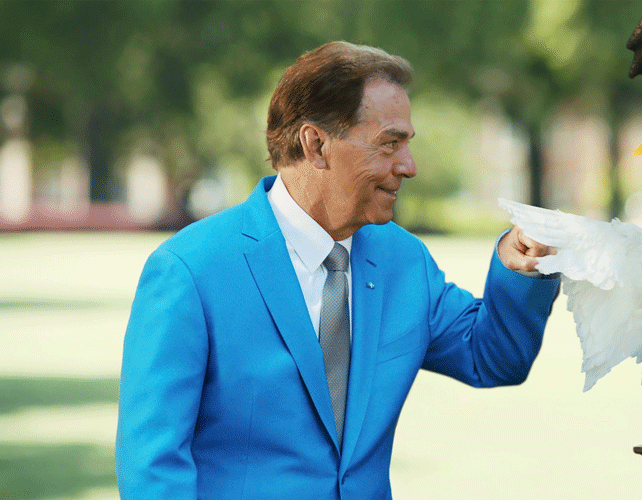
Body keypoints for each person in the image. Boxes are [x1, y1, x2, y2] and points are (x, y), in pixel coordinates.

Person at [115, 41, 560, 500]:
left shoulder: (404, 262)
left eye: (407, 145)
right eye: (389, 144)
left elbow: (493, 357)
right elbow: (153, 468)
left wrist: (519, 265)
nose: (409, 166)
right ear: (316, 145)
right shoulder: (190, 270)